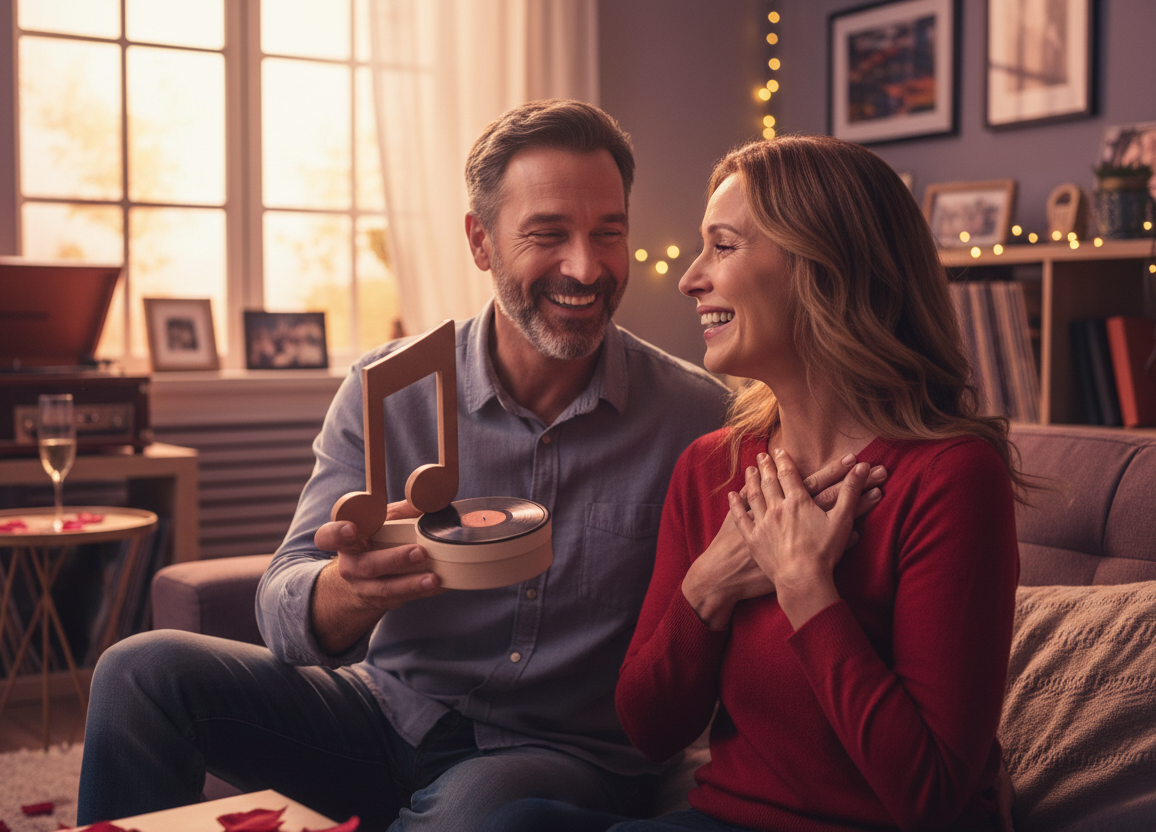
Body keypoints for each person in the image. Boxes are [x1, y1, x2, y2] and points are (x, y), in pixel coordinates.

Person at [76, 103, 880, 832]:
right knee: (140, 672)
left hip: (562, 756)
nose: (586, 267)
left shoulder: (699, 417)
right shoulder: (386, 390)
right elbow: (282, 606)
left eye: (608, 231)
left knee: (479, 815)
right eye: (547, 233)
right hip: (381, 713)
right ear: (479, 241)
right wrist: (343, 594)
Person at [480, 135, 1025, 832]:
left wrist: (805, 588)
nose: (689, 278)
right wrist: (710, 584)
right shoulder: (710, 467)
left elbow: (930, 796)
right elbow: (650, 729)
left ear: (823, 267)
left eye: (723, 246)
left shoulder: (950, 476)